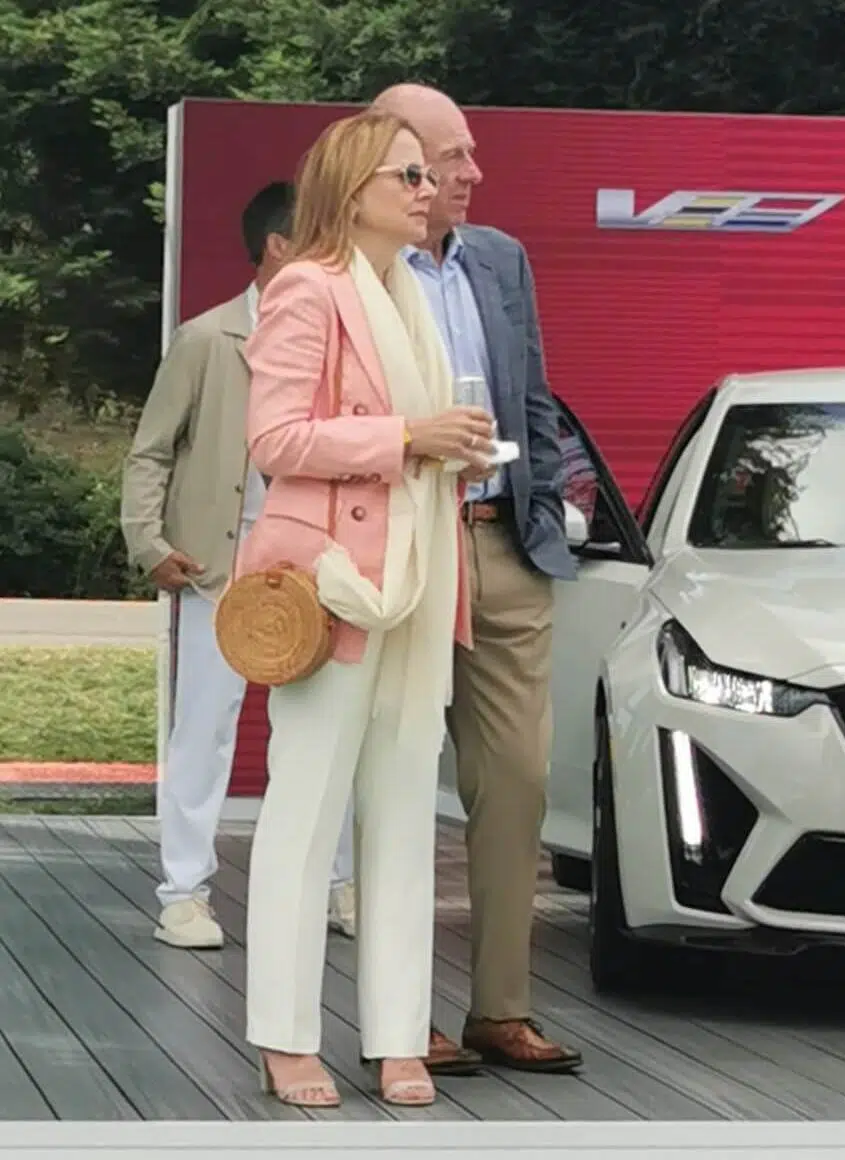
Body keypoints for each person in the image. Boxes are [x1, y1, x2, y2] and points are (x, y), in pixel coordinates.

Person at [236, 108, 497, 1108]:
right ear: (355, 189)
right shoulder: (308, 288)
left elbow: (414, 440)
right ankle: (283, 1033)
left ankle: (396, 1034)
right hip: (340, 584)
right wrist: (408, 436)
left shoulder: (411, 298)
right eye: (410, 177)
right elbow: (277, 440)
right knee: (304, 815)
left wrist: (449, 449)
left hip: (419, 583)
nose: (430, 191)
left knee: (400, 816)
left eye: (429, 178)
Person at [370, 82, 582, 1077]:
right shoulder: (357, 269)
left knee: (519, 785)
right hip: (411, 549)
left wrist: (544, 517)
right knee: (403, 780)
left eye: (467, 154)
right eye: (451, 157)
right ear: (399, 167)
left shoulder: (501, 259)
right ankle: (401, 1017)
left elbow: (532, 394)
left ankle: (502, 1006)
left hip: (506, 547)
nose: (471, 173)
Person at [120, 181, 357, 950]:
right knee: (204, 730)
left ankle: (337, 882)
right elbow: (151, 450)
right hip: (216, 569)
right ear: (279, 248)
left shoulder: (340, 339)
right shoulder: (207, 337)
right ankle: (184, 892)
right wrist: (149, 544)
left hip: (314, 567)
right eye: (317, 238)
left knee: (327, 728)